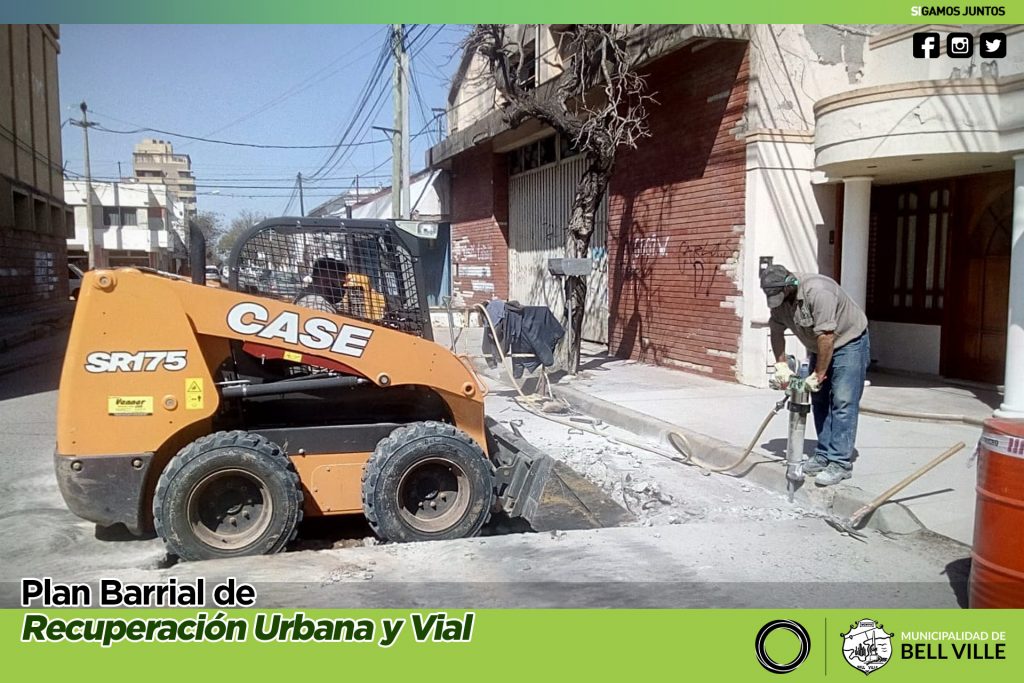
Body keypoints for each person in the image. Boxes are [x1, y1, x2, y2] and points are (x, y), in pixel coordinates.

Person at [760, 264, 870, 486]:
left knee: (842, 401)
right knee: (819, 399)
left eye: (779, 295)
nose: (776, 300)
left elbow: (827, 337)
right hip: (820, 346)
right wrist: (780, 365)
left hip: (848, 342)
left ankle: (840, 463)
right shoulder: (779, 300)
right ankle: (823, 454)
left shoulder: (819, 292)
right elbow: (776, 331)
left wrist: (818, 374)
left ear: (789, 286)